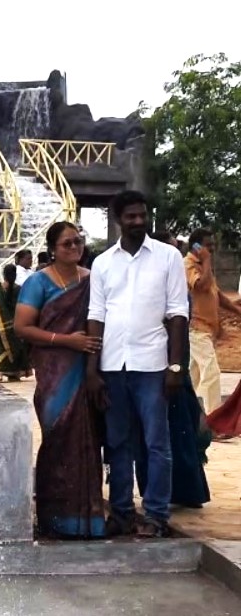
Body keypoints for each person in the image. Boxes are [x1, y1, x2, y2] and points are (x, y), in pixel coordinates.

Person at [86, 190, 189, 538]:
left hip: (152, 365)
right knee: (117, 443)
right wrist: (92, 370)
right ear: (118, 220)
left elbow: (178, 314)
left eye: (142, 215)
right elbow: (96, 315)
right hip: (113, 365)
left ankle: (156, 515)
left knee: (157, 443)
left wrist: (175, 367)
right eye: (130, 216)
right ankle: (121, 513)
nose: (138, 221)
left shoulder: (168, 257)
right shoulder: (103, 263)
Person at [14, 221, 105, 538]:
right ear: (53, 249)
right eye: (67, 243)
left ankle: (87, 520)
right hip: (54, 371)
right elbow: (22, 327)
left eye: (78, 241)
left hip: (88, 369)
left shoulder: (92, 280)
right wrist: (67, 340)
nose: (74, 247)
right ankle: (55, 518)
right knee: (58, 437)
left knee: (87, 440)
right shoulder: (38, 282)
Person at [136, 230, 211, 508]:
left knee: (179, 431)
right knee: (156, 436)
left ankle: (185, 492)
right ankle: (160, 494)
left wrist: (177, 367)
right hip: (151, 366)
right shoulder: (149, 284)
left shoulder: (176, 285)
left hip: (174, 368)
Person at [185, 228, 241, 414]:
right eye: (209, 245)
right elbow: (201, 285)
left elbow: (216, 294)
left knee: (192, 375)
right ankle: (214, 417)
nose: (213, 249)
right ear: (196, 246)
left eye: (213, 245)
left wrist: (237, 311)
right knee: (211, 372)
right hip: (196, 328)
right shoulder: (188, 264)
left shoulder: (204, 266)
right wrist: (207, 260)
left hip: (208, 329)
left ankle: (189, 414)